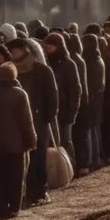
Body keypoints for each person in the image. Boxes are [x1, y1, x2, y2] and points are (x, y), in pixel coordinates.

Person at [0, 62, 37, 217]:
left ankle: (0, 205)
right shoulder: (20, 94)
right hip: (16, 144)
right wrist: (32, 140)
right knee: (16, 176)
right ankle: (14, 207)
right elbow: (26, 121)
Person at [6, 39, 57, 206]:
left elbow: (52, 97)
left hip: (39, 121)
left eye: (15, 51)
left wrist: (47, 118)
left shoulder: (42, 70)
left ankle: (40, 191)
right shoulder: (9, 71)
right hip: (17, 123)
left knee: (38, 158)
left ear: (24, 51)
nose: (13, 54)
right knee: (22, 160)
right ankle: (24, 193)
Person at [43, 33, 81, 167]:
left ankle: (70, 166)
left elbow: (75, 89)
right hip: (52, 110)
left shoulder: (68, 64)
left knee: (66, 141)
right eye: (46, 45)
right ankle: (59, 169)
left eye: (51, 45)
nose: (48, 48)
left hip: (65, 110)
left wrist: (72, 111)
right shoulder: (46, 64)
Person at [79, 34, 106, 173]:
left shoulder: (89, 61)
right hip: (97, 100)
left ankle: (90, 160)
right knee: (94, 130)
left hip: (91, 100)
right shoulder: (99, 58)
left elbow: (89, 83)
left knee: (89, 131)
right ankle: (96, 158)